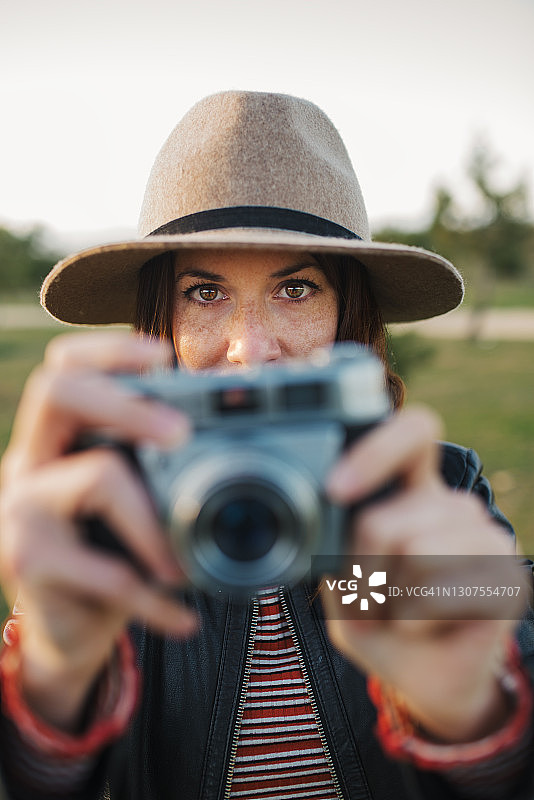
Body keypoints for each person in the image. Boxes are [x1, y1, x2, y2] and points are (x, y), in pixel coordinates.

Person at [0, 90, 532, 800]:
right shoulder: (107, 512)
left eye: (296, 288)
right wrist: (53, 675)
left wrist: (472, 714)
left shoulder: (432, 486)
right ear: (162, 320)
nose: (251, 350)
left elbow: (506, 609)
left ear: (350, 312)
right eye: (205, 294)